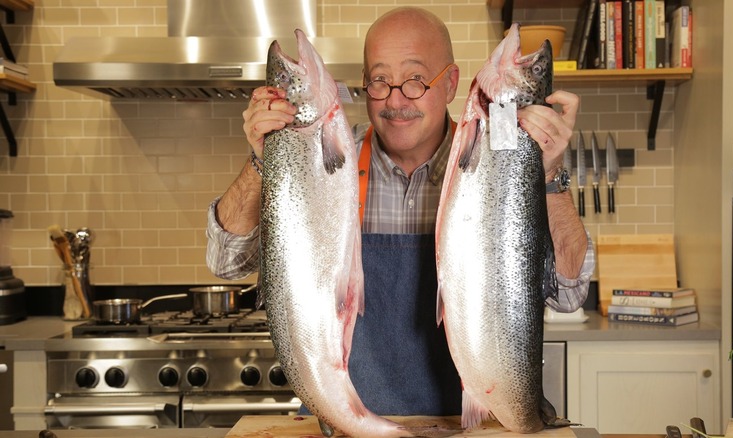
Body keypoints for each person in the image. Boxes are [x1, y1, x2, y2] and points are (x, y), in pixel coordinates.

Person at [206, 7, 594, 416]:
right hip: (344, 421)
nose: (395, 99)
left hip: (471, 424)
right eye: (379, 80)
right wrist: (262, 161)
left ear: (451, 84)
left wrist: (549, 174)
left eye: (415, 79)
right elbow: (225, 261)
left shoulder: (497, 170)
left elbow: (570, 295)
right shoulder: (323, 165)